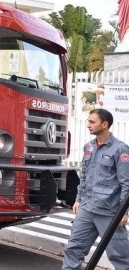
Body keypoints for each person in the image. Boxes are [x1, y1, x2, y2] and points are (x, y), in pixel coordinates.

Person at [62, 108, 129, 270]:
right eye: (88, 121)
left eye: (92, 122)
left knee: (120, 257)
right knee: (73, 249)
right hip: (87, 209)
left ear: (104, 124)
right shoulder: (89, 147)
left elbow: (126, 184)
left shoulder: (120, 150)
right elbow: (84, 177)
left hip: (109, 212)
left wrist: (124, 212)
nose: (88, 125)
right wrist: (78, 199)